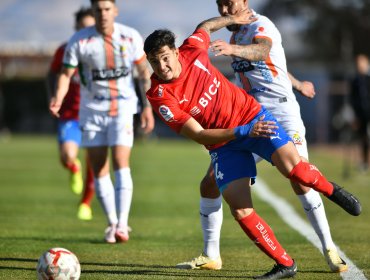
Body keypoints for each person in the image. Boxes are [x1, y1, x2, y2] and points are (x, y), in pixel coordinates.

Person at [144, 9, 361, 279]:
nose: (162, 67)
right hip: (226, 142)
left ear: (176, 52)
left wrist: (230, 21)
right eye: (155, 62)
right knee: (240, 209)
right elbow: (199, 134)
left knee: (296, 171)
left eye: (165, 58)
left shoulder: (193, 49)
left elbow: (205, 26)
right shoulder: (160, 96)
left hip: (253, 115)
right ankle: (285, 264)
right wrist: (243, 132)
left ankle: (333, 192)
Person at [49, 0, 155, 244]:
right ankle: (111, 222)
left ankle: (123, 224)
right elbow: (65, 75)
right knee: (99, 168)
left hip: (123, 108)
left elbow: (143, 74)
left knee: (120, 162)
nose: (103, 14)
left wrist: (147, 107)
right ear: (94, 12)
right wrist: (57, 98)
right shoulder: (79, 41)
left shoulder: (130, 37)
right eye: (99, 10)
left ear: (115, 11)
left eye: (107, 9)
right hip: (91, 112)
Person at [47, 7, 96, 221]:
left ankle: (85, 203)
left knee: (95, 163)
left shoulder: (101, 51)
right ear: (76, 28)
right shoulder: (65, 50)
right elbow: (52, 74)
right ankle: (73, 166)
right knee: (67, 154)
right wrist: (53, 97)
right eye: (82, 27)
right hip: (70, 115)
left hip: (95, 115)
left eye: (89, 26)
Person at [350, 54, 370, 171]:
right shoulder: (354, 81)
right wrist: (354, 116)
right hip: (361, 115)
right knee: (363, 138)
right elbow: (352, 99)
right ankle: (364, 162)